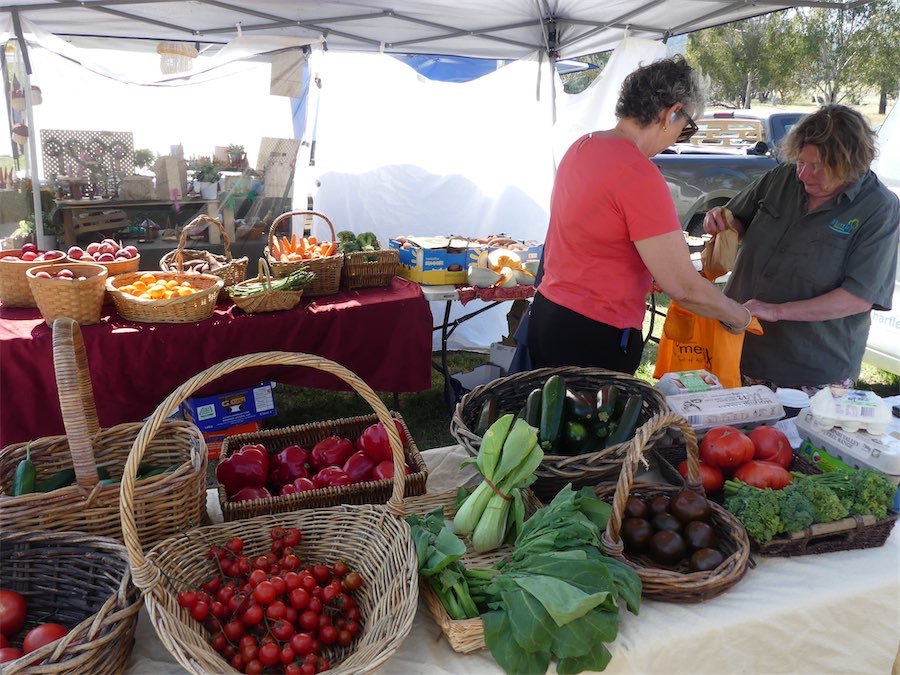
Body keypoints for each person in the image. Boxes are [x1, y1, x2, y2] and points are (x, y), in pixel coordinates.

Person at [527, 55, 752, 374]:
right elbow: (682, 287)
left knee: (548, 420)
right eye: (685, 129)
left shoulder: (582, 146)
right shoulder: (638, 173)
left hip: (550, 314)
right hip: (595, 333)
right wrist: (740, 315)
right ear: (672, 112)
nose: (678, 138)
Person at [703, 104, 899, 392]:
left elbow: (858, 297)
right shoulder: (783, 177)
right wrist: (721, 219)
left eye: (818, 167)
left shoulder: (879, 209)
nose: (804, 174)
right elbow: (738, 220)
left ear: (850, 165)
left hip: (808, 368)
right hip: (736, 346)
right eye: (800, 162)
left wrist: (776, 311)